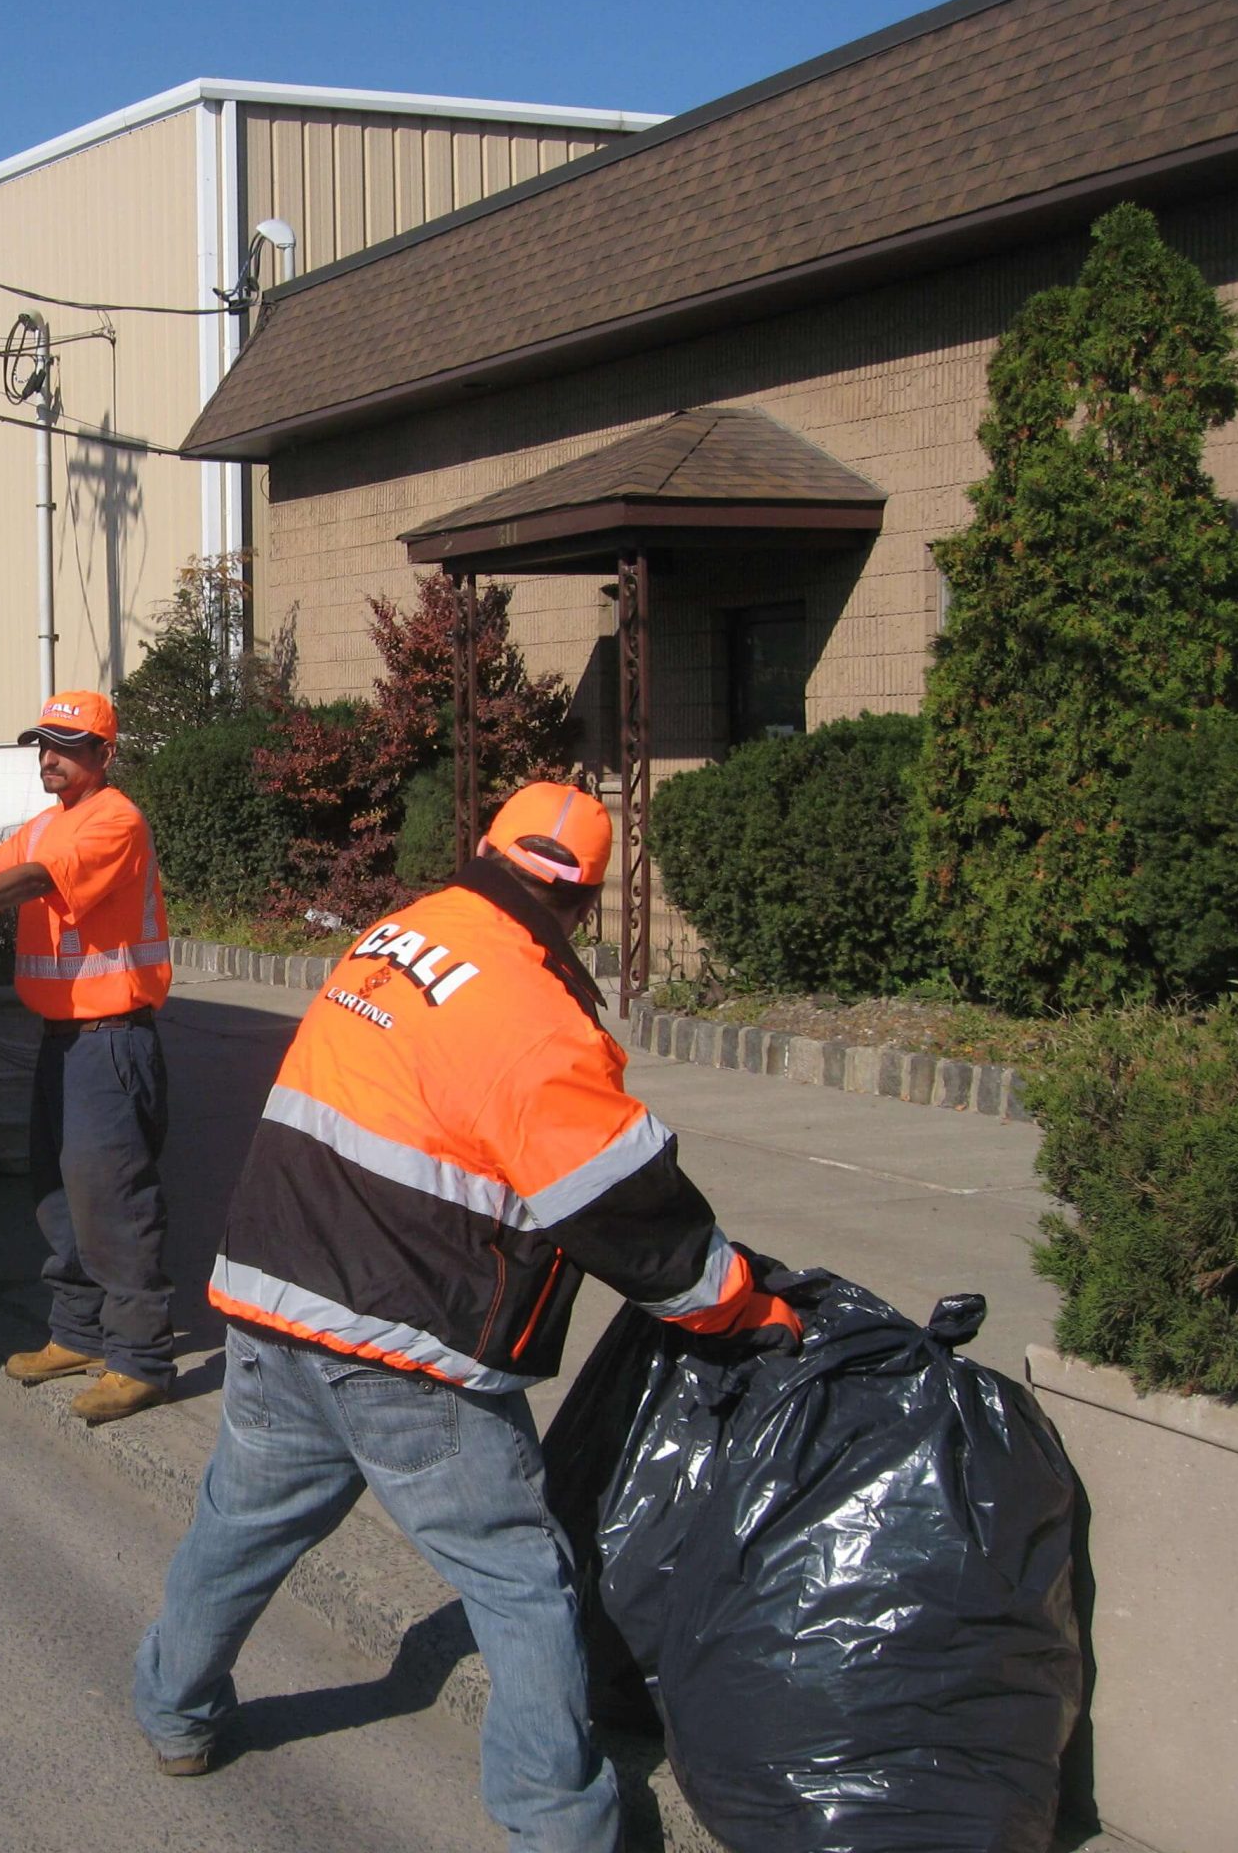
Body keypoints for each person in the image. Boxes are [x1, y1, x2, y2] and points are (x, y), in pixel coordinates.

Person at [132, 782, 801, 1849]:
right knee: (520, 1577)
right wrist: (740, 1304)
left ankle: (174, 1710)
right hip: (401, 1338)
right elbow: (623, 1210)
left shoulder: (403, 931)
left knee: (242, 1524)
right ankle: (557, 1826)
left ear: (487, 850)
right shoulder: (531, 1014)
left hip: (269, 1296)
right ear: (581, 899)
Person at [0, 691, 176, 1426]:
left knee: (113, 1201)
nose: (50, 756)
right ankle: (79, 1336)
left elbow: (30, 883)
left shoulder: (113, 821)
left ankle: (141, 1359)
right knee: (58, 1196)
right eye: (42, 744)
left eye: (67, 744)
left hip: (112, 1042)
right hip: (63, 1042)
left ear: (103, 756)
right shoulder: (50, 823)